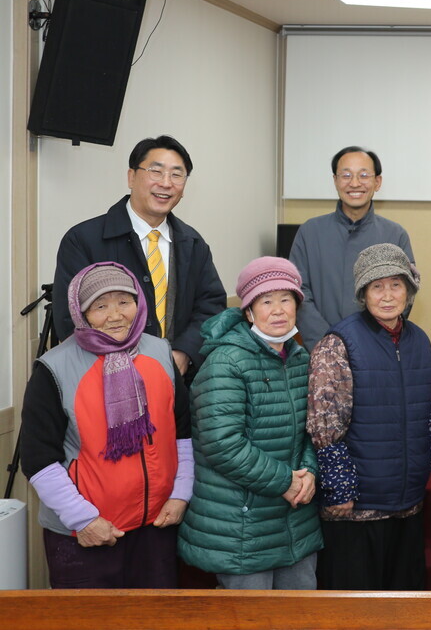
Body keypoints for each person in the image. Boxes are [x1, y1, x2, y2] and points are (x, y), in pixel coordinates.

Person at [20, 262, 192, 587]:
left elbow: (182, 433)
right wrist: (83, 519)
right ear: (81, 312)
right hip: (84, 533)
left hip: (156, 526)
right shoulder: (53, 369)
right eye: (100, 306)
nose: (115, 316)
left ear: (139, 303)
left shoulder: (159, 351)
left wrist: (180, 494)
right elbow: (38, 461)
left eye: (124, 302)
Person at [178, 257, 322, 588]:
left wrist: (309, 473)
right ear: (248, 311)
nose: (278, 310)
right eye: (266, 301)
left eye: (286, 299)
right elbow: (223, 445)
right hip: (241, 526)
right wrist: (286, 481)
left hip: (294, 521)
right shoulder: (225, 361)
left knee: (300, 619)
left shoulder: (301, 359)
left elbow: (311, 431)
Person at [306, 243, 431, 590]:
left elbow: (427, 416)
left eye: (396, 285)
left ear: (409, 291)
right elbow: (325, 425)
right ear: (363, 293)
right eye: (377, 286)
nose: (387, 295)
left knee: (402, 609)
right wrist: (340, 488)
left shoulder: (420, 342)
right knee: (354, 612)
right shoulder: (338, 343)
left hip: (408, 505)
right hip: (356, 510)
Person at [53, 135, 226, 379]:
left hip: (176, 381)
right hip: (105, 379)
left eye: (177, 175)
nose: (166, 183)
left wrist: (184, 352)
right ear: (131, 177)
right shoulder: (83, 239)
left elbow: (211, 307)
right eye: (156, 171)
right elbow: (69, 318)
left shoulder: (193, 244)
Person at [290, 146, 414, 349]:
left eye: (364, 175)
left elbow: (404, 293)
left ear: (377, 182)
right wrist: (327, 343)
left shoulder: (395, 234)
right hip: (320, 348)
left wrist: (370, 341)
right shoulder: (310, 232)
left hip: (376, 349)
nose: (355, 183)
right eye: (346, 175)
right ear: (335, 181)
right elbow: (299, 291)